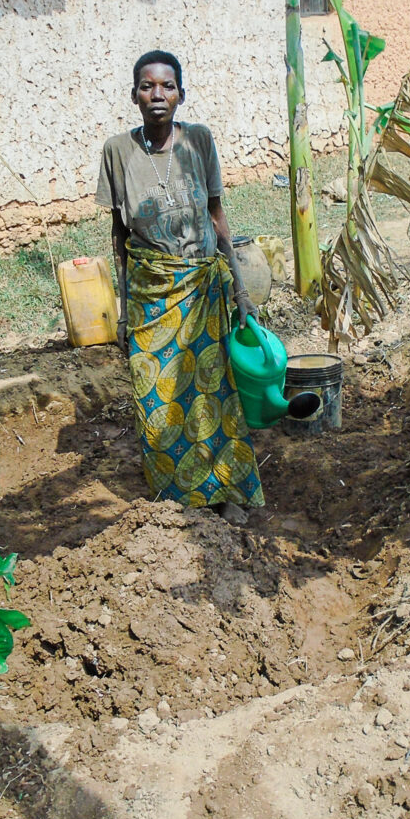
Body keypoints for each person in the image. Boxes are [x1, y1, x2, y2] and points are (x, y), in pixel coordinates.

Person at [95, 50, 263, 520]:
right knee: (159, 398)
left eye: (167, 86)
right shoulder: (117, 151)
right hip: (152, 295)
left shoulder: (199, 142)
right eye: (147, 86)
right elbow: (119, 236)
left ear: (180, 95)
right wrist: (124, 311)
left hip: (205, 288)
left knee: (213, 394)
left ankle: (227, 491)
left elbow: (217, 217)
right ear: (134, 95)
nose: (157, 95)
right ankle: (177, 502)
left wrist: (241, 292)